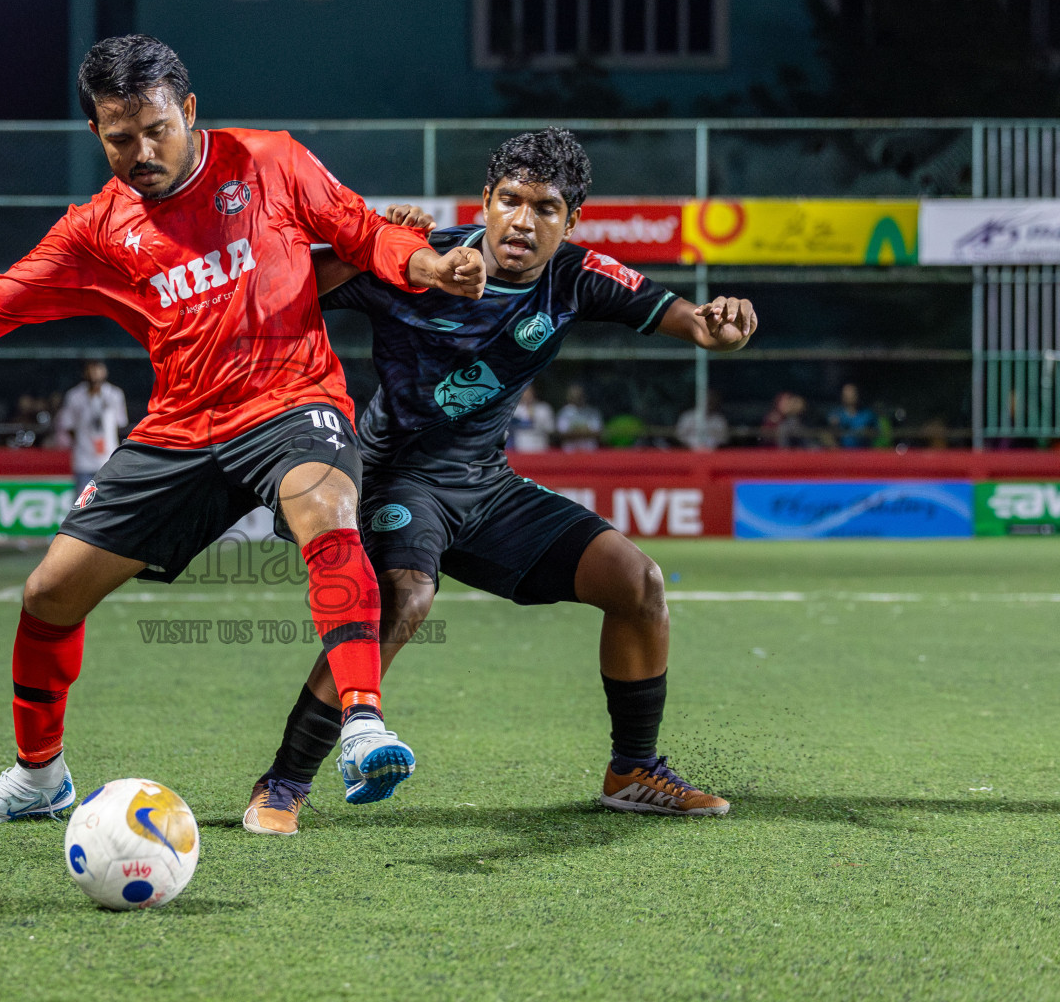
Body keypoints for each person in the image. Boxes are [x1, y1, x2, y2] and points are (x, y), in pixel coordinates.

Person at [0, 34, 484, 827]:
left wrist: (428, 265)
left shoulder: (269, 161)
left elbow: (362, 230)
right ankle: (38, 776)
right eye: (119, 137)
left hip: (291, 400)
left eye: (156, 129)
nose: (141, 152)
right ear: (96, 132)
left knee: (325, 510)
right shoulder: (94, 228)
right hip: (181, 427)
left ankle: (362, 721)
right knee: (49, 593)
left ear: (188, 111)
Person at [244, 128, 757, 836]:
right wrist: (374, 245)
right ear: (484, 202)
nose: (523, 220)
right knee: (406, 595)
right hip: (397, 480)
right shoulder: (422, 260)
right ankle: (283, 782)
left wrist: (723, 324)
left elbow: (698, 326)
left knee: (637, 583)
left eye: (545, 207)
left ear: (571, 221)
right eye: (509, 200)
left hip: (486, 489)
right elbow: (282, 286)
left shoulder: (576, 276)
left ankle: (632, 770)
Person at [56, 359, 129, 489]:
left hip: (108, 459)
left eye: (98, 369)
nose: (95, 373)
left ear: (105, 372)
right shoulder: (75, 395)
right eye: (91, 369)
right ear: (85, 373)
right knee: (83, 503)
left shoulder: (114, 394)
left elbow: (121, 423)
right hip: (83, 460)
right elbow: (68, 425)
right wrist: (82, 442)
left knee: (108, 501)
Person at [827, 383, 876, 449]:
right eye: (846, 393)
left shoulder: (868, 414)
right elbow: (825, 433)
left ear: (857, 394)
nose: (850, 396)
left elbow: (877, 433)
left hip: (863, 453)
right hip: (841, 454)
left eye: (852, 393)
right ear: (842, 396)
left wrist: (866, 432)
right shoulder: (835, 414)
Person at [507, 384, 554, 451]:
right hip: (521, 449)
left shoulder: (544, 408)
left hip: (540, 447)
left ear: (533, 392)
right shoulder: (514, 410)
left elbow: (551, 429)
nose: (527, 394)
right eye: (524, 391)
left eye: (529, 391)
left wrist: (535, 419)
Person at [556, 382, 603, 451]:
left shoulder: (592, 412)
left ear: (584, 396)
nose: (577, 398)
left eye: (579, 395)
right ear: (569, 397)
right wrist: (584, 431)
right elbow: (561, 434)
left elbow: (598, 433)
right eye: (574, 395)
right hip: (570, 452)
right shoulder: (564, 413)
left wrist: (575, 432)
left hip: (590, 452)